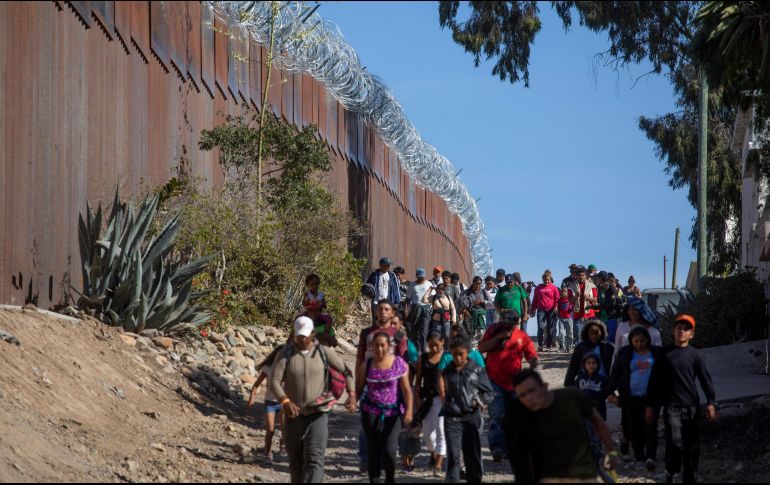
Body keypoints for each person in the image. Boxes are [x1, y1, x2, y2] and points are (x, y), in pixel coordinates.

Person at [269, 316, 357, 483]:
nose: (302, 339)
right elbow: (274, 380)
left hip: (318, 414)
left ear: (312, 333)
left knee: (315, 459)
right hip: (293, 416)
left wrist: (351, 394)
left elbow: (346, 372)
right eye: (299, 335)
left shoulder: (323, 352)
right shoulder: (285, 354)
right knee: (296, 463)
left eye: (305, 335)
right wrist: (284, 401)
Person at [511, 370, 618, 482]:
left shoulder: (571, 397)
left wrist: (610, 451)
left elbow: (597, 420)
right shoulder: (522, 416)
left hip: (583, 471)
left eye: (532, 390)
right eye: (522, 395)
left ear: (544, 387)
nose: (529, 398)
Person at [646, 314, 717, 484]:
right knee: (675, 442)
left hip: (691, 406)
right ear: (673, 331)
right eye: (679, 328)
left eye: (686, 329)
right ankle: (671, 471)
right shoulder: (664, 354)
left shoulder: (695, 355)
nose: (682, 331)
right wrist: (650, 405)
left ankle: (689, 477)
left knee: (692, 446)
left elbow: (705, 379)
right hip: (671, 407)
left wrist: (711, 403)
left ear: (691, 334)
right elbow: (654, 381)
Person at [477, 309, 538, 462]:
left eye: (514, 324)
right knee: (496, 415)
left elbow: (531, 356)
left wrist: (532, 366)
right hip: (493, 382)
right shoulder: (493, 330)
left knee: (513, 418)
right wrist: (498, 338)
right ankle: (497, 448)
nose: (512, 328)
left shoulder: (521, 336)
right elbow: (482, 348)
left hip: (515, 385)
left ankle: (510, 448)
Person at [356, 300, 410, 472]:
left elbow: (404, 362)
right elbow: (359, 359)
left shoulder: (399, 336)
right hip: (369, 381)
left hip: (392, 385)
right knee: (366, 427)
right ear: (375, 312)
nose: (383, 312)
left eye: (387, 309)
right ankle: (366, 460)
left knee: (391, 424)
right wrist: (356, 386)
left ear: (392, 312)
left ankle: (388, 458)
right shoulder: (366, 333)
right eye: (380, 309)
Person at [438, 335, 494, 483]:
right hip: (451, 418)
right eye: (454, 354)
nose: (457, 358)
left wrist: (479, 401)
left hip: (471, 417)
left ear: (468, 352)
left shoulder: (476, 370)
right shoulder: (448, 370)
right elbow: (441, 385)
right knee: (454, 456)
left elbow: (489, 392)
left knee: (472, 455)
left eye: (461, 354)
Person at [608, 326, 661, 471]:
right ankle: (639, 455)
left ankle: (651, 455)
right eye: (636, 341)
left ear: (647, 340)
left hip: (650, 396)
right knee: (634, 427)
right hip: (630, 397)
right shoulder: (624, 353)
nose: (639, 344)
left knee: (650, 424)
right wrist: (610, 392)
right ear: (631, 340)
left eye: (642, 341)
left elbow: (664, 373)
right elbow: (615, 373)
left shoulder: (656, 353)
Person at [248, 344, 287, 466]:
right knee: (270, 430)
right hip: (270, 403)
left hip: (283, 403)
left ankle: (283, 443)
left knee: (285, 428)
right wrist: (252, 397)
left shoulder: (289, 368)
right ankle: (267, 453)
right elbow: (256, 384)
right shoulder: (268, 368)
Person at [414, 331, 446, 477]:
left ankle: (438, 464)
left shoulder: (446, 358)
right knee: (427, 434)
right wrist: (417, 397)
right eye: (431, 345)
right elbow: (418, 379)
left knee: (441, 430)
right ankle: (433, 453)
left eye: (436, 345)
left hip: (441, 399)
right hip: (426, 399)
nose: (433, 348)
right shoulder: (423, 358)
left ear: (443, 343)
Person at [564, 319, 615, 388]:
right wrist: (568, 385)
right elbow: (573, 367)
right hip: (584, 383)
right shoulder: (580, 347)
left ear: (602, 332)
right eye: (591, 333)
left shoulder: (608, 347)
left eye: (596, 333)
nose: (594, 336)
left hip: (604, 383)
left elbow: (615, 368)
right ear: (587, 333)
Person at [614, 296, 663, 361]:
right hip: (624, 369)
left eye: (635, 309)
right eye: (629, 309)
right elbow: (616, 352)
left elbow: (658, 357)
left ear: (642, 311)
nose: (631, 313)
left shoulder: (653, 332)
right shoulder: (622, 327)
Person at [405, 268, 435, 353]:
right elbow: (408, 299)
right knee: (414, 330)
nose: (421, 279)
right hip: (415, 309)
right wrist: (407, 309)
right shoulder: (412, 285)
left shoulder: (429, 284)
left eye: (422, 277)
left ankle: (423, 350)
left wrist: (431, 308)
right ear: (416, 276)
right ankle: (416, 350)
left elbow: (433, 297)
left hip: (426, 310)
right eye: (419, 277)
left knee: (424, 331)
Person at [567, 266, 598, 347]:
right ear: (576, 276)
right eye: (579, 275)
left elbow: (595, 299)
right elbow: (570, 301)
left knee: (590, 337)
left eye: (583, 275)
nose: (581, 277)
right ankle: (581, 355)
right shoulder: (571, 286)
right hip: (578, 315)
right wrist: (575, 297)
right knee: (579, 337)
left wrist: (588, 298)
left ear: (586, 276)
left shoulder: (592, 286)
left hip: (590, 315)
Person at [531, 270, 560, 352]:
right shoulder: (538, 287)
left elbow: (557, 299)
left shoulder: (554, 287)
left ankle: (548, 345)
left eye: (548, 280)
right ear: (542, 279)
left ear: (550, 279)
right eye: (545, 280)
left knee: (549, 328)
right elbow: (535, 299)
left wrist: (556, 307)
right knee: (540, 327)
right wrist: (532, 309)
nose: (546, 281)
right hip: (541, 310)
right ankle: (540, 345)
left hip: (551, 310)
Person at [556, 287, 574, 353]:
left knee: (570, 333)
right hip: (561, 318)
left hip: (569, 318)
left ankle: (569, 347)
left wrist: (572, 308)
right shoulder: (559, 300)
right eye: (562, 291)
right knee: (561, 333)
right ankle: (562, 347)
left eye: (565, 291)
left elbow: (572, 308)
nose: (563, 293)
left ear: (568, 293)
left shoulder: (570, 300)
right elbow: (557, 307)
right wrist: (556, 310)